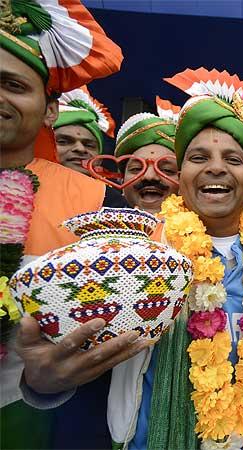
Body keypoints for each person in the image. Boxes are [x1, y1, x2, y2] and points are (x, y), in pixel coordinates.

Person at [17, 66, 243, 450]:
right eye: (199, 157)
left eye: (234, 158)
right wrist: (44, 382)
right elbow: (74, 351)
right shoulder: (133, 248)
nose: (216, 167)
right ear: (182, 176)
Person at [0, 1, 129, 448]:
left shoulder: (100, 203)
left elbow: (125, 332)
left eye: (12, 85)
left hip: (50, 426)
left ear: (50, 109)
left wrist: (46, 382)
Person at [114, 97, 181, 214]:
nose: (149, 176)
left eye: (167, 170)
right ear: (121, 181)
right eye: (136, 169)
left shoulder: (213, 231)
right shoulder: (100, 229)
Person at [53, 85, 115, 175]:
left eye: (89, 145)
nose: (80, 149)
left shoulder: (105, 189)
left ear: (100, 159)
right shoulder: (26, 185)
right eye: (63, 141)